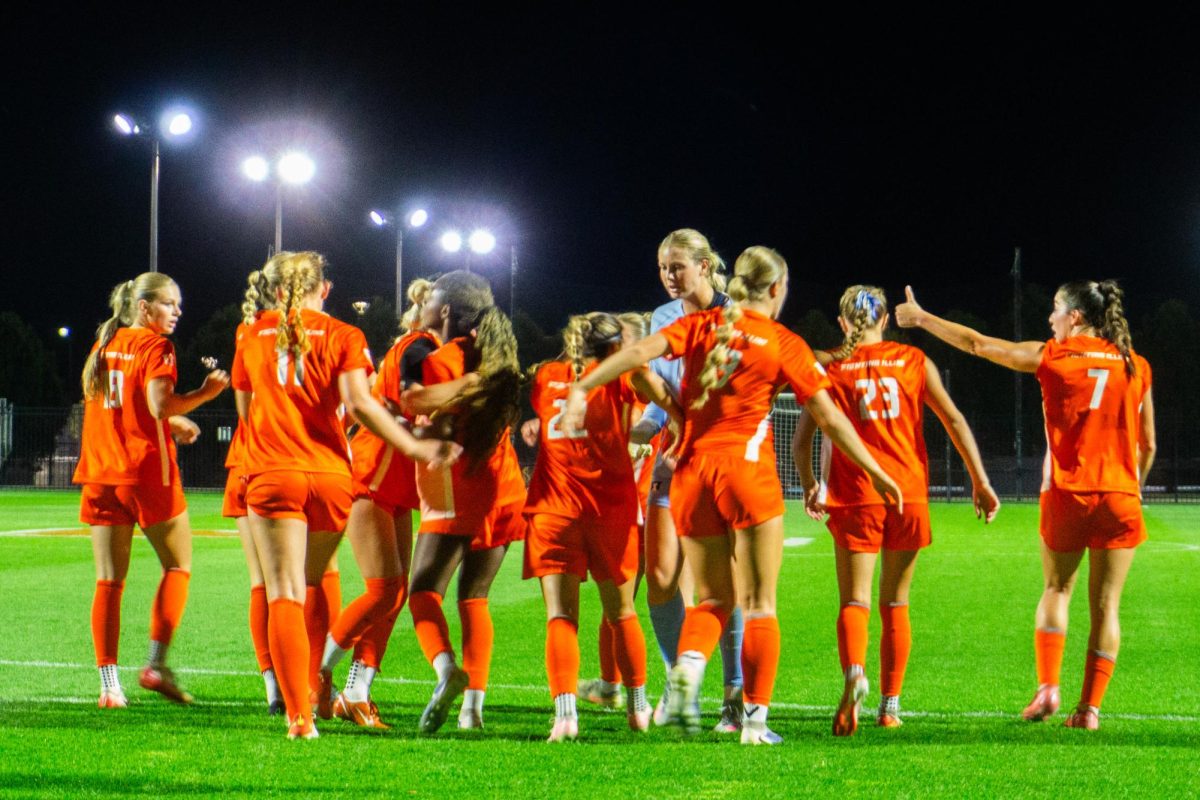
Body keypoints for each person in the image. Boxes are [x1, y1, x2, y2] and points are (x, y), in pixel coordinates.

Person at [563, 246, 902, 745]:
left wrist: (581, 388)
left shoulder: (700, 325)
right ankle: (755, 723)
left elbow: (636, 356)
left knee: (712, 599)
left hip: (691, 475)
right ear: (775, 289)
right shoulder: (781, 340)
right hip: (746, 474)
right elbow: (829, 417)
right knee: (759, 604)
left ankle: (688, 669)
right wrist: (876, 470)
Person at [895, 281, 1155, 730]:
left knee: (1057, 591)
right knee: (1107, 607)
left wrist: (921, 319)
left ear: (1074, 317)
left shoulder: (1053, 357)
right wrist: (1131, 487)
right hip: (1120, 497)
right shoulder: (1136, 365)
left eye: (1055, 310)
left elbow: (977, 345)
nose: (1049, 318)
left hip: (1068, 494)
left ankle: (1048, 688)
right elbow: (1148, 445)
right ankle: (1088, 711)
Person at [234, 251, 458, 740]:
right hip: (334, 477)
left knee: (285, 594)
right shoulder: (345, 335)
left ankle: (300, 716)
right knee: (316, 585)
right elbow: (360, 404)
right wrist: (412, 445)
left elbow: (248, 410)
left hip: (274, 473)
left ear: (274, 291)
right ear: (326, 290)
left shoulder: (250, 332)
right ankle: (328, 684)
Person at [792, 285, 999, 736]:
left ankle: (854, 677)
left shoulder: (828, 365)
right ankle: (889, 705)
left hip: (856, 495)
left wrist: (811, 485)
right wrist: (980, 480)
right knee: (896, 602)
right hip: (908, 494)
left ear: (843, 322)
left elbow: (802, 440)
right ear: (885, 320)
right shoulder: (914, 363)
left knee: (854, 600)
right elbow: (955, 420)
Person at [74, 272, 229, 708]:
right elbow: (160, 403)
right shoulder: (156, 346)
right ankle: (155, 664)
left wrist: (169, 421)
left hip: (102, 475)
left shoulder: (104, 344)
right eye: (169, 303)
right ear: (144, 307)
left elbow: (123, 406)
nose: (177, 311)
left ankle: (109, 686)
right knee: (178, 566)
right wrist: (206, 392)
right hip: (146, 473)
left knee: (108, 581)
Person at [524, 312, 676, 741]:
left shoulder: (545, 376)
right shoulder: (623, 374)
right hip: (609, 510)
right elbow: (661, 394)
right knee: (623, 612)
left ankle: (565, 717)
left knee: (561, 616)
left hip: (553, 510)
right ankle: (637, 709)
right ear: (615, 346)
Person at [401, 270, 525, 733]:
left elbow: (419, 406)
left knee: (422, 593)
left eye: (431, 297)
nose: (424, 301)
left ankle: (447, 669)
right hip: (506, 488)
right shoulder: (501, 356)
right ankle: (473, 711)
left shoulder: (444, 358)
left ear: (446, 310)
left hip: (458, 487)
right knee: (475, 598)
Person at [315, 278, 440, 729]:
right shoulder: (420, 346)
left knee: (395, 590)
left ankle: (357, 690)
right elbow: (409, 396)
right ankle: (319, 673)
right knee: (383, 588)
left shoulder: (424, 346)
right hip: (375, 473)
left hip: (395, 479)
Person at [635, 229, 746, 731]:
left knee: (720, 586)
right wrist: (641, 428)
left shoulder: (737, 314)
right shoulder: (662, 318)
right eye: (663, 267)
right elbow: (659, 394)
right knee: (659, 579)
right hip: (673, 459)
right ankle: (679, 680)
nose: (669, 276)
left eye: (677, 266)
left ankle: (734, 694)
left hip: (725, 461)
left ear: (705, 265)